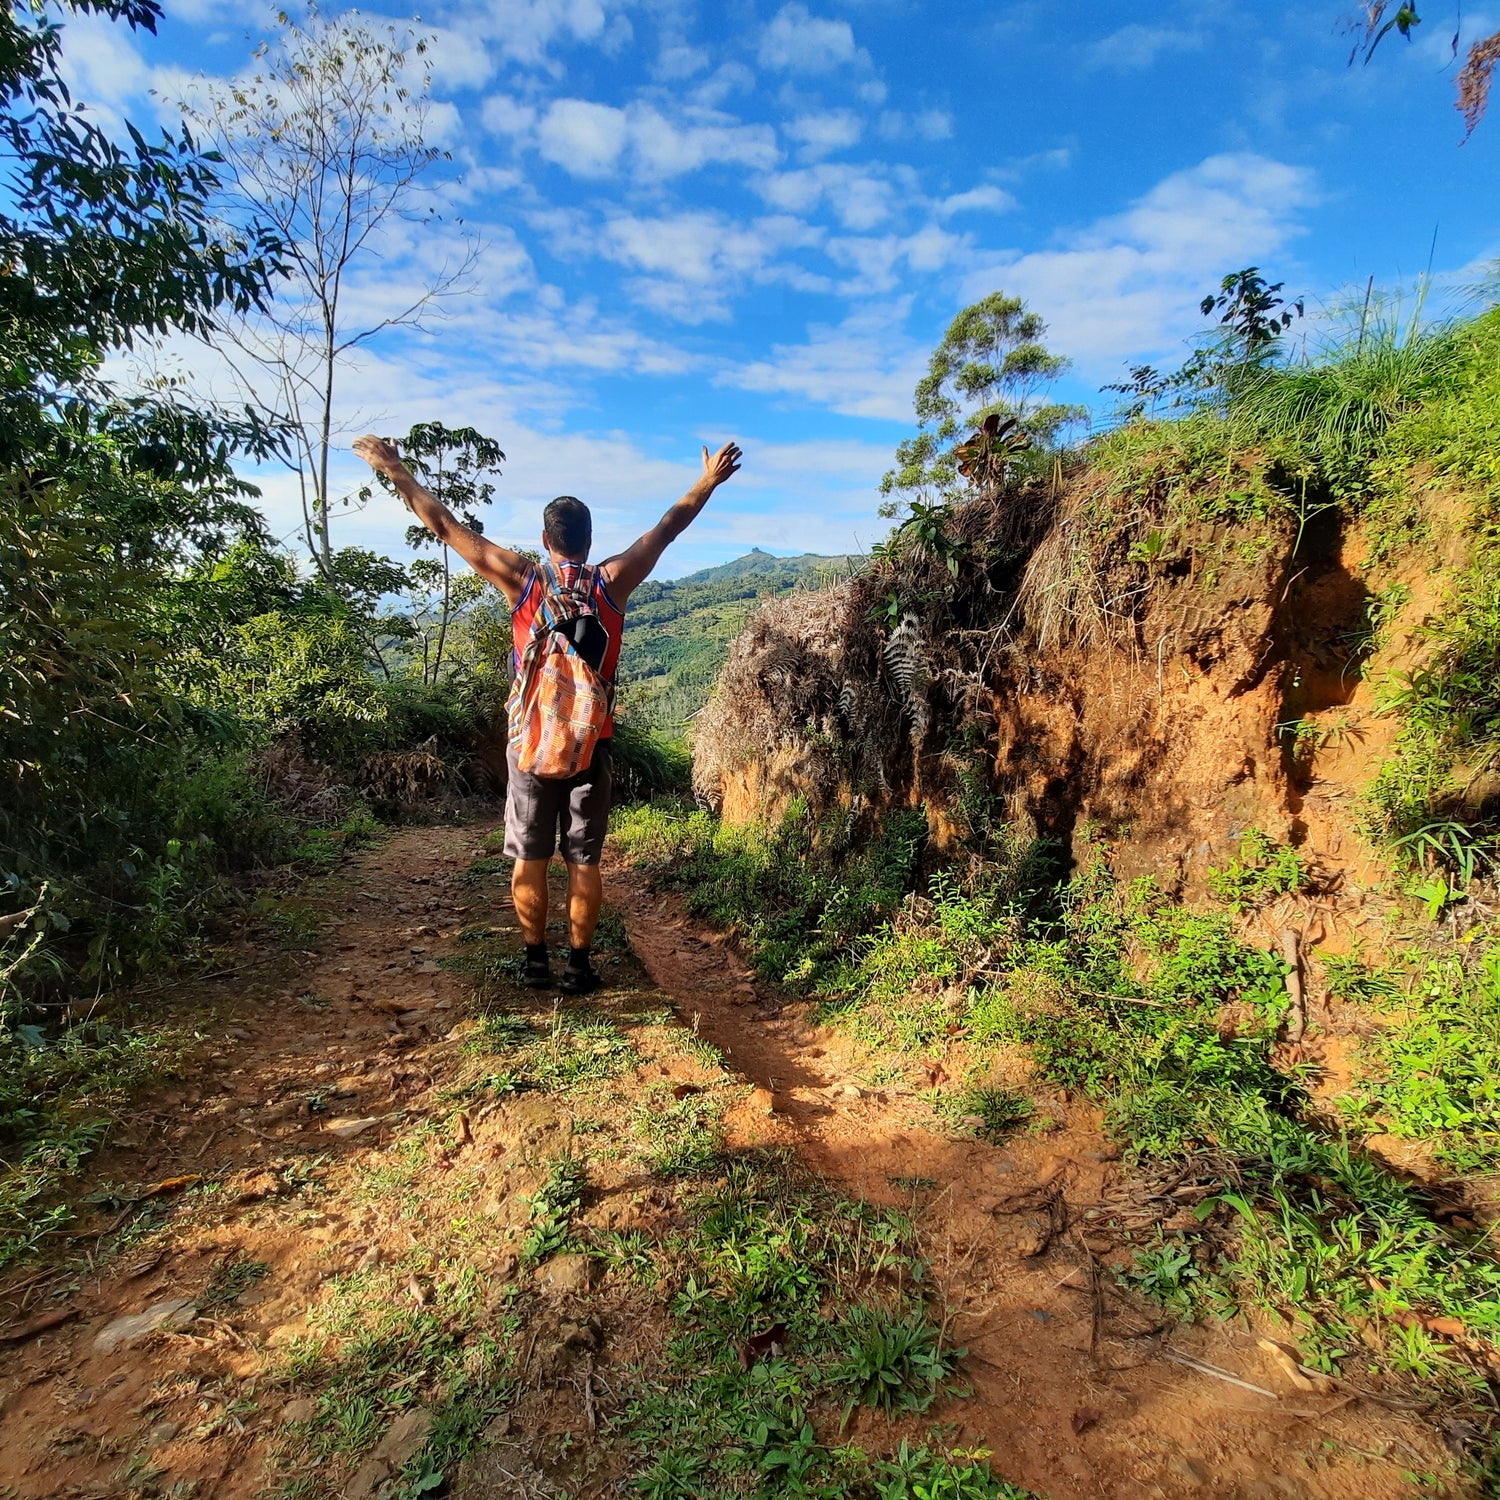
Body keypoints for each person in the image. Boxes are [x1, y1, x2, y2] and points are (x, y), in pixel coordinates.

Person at [352, 433, 743, 993]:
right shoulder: (612, 582)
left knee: (530, 857)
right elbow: (667, 528)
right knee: (584, 861)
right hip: (592, 744)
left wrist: (394, 468)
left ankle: (536, 962)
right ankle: (580, 967)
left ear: (545, 539)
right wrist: (706, 481)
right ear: (588, 542)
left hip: (531, 744)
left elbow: (443, 525)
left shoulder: (522, 580)